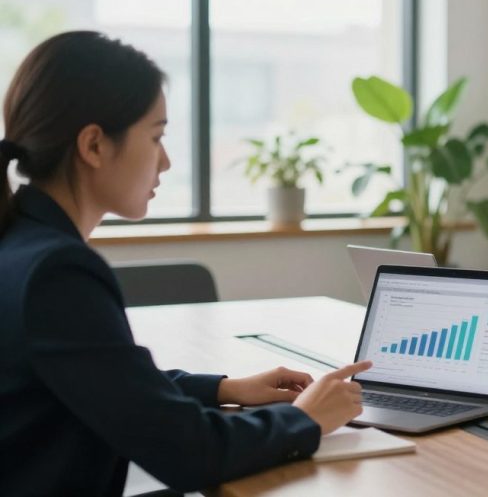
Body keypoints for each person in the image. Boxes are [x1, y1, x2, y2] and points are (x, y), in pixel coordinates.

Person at [0, 31, 371, 495]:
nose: (167, 161)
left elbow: (110, 382)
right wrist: (304, 419)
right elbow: (191, 453)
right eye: (156, 137)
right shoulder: (58, 273)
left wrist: (223, 389)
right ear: (94, 145)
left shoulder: (20, 243)